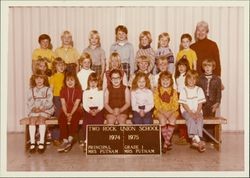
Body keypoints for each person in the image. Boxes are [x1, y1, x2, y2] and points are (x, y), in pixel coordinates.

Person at [26, 70, 54, 153]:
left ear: (44, 79)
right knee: (32, 120)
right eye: (37, 78)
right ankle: (32, 142)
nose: (39, 80)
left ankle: (42, 142)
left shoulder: (47, 89)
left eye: (41, 78)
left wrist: (42, 108)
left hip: (45, 110)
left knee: (41, 119)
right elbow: (29, 101)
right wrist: (34, 108)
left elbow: (49, 102)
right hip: (35, 110)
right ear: (34, 79)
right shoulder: (31, 90)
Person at [179, 70, 206, 152]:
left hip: (197, 110)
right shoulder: (184, 90)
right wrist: (190, 112)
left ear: (196, 80)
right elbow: (184, 104)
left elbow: (200, 103)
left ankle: (196, 140)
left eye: (194, 79)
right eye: (189, 79)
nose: (191, 81)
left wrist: (197, 112)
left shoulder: (199, 89)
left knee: (199, 119)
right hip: (186, 111)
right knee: (190, 119)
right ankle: (197, 140)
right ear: (186, 79)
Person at [57, 72, 83, 153]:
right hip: (66, 110)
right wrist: (66, 113)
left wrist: (71, 114)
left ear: (76, 81)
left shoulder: (79, 90)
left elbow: (76, 104)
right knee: (61, 118)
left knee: (75, 118)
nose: (70, 82)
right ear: (65, 81)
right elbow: (63, 104)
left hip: (76, 110)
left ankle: (70, 139)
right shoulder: (62, 90)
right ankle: (65, 140)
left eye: (72, 80)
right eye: (68, 80)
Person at [154, 71, 179, 153]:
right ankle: (167, 141)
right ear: (159, 81)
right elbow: (156, 103)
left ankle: (166, 142)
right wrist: (163, 112)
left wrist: (170, 112)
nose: (165, 82)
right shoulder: (157, 90)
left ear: (171, 81)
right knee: (162, 120)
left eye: (167, 80)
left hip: (172, 111)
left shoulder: (174, 91)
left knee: (172, 120)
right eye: (163, 80)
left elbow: (176, 105)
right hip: (160, 111)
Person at [82, 73, 104, 151]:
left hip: (99, 110)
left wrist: (97, 111)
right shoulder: (85, 92)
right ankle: (86, 141)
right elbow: (85, 104)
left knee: (99, 121)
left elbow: (102, 104)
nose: (93, 83)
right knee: (87, 122)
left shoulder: (101, 91)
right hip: (88, 110)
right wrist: (90, 111)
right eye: (91, 81)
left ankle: (97, 141)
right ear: (88, 82)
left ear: (98, 82)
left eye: (95, 81)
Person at [174, 56, 190, 145]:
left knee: (185, 116)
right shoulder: (176, 76)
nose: (181, 68)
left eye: (183, 66)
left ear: (187, 67)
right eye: (179, 66)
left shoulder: (187, 76)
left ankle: (187, 136)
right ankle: (182, 136)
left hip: (185, 97)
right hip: (178, 96)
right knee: (179, 116)